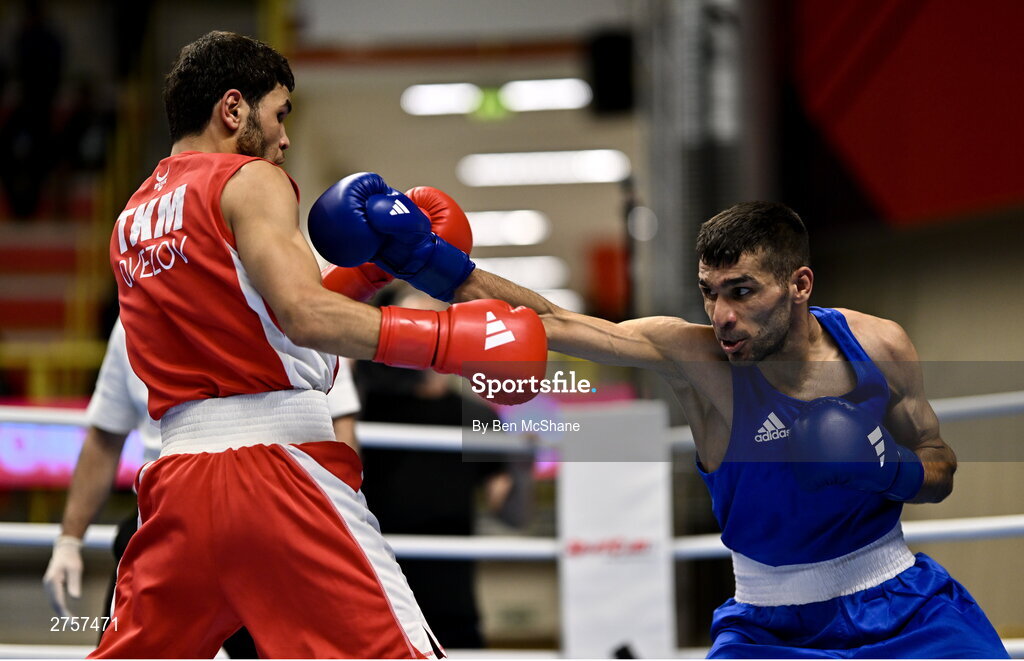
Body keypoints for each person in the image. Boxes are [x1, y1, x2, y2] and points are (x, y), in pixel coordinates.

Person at [311, 186, 1009, 657]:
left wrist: (893, 470)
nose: (723, 316)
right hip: (770, 626)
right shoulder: (696, 360)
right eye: (710, 294)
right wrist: (430, 261)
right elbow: (551, 321)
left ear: (799, 285)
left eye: (743, 293)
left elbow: (939, 459)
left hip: (902, 606)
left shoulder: (879, 346)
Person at [91, 31, 547, 659]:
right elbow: (301, 315)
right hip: (278, 474)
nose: (283, 139)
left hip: (177, 485)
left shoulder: (131, 218)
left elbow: (251, 322)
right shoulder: (249, 179)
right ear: (232, 109)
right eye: (278, 115)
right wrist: (450, 340)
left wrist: (367, 274)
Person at [41, 316, 360, 656]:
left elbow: (340, 427)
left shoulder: (284, 300)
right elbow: (105, 435)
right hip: (162, 523)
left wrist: (336, 519)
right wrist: (69, 539)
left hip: (274, 520)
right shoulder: (136, 313)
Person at [357, 287, 521, 649]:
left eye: (435, 322)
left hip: (452, 596)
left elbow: (512, 512)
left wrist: (524, 457)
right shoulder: (366, 407)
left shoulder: (477, 415)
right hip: (376, 585)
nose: (427, 334)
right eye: (415, 324)